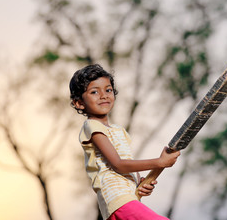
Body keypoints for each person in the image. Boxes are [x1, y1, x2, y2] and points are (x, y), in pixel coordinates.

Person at [69, 64, 180, 220]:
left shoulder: (118, 131)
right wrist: (159, 162)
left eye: (108, 90)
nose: (103, 95)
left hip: (129, 199)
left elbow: (127, 163)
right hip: (117, 200)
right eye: (94, 92)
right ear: (79, 103)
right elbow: (118, 164)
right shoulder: (92, 126)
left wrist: (140, 183)